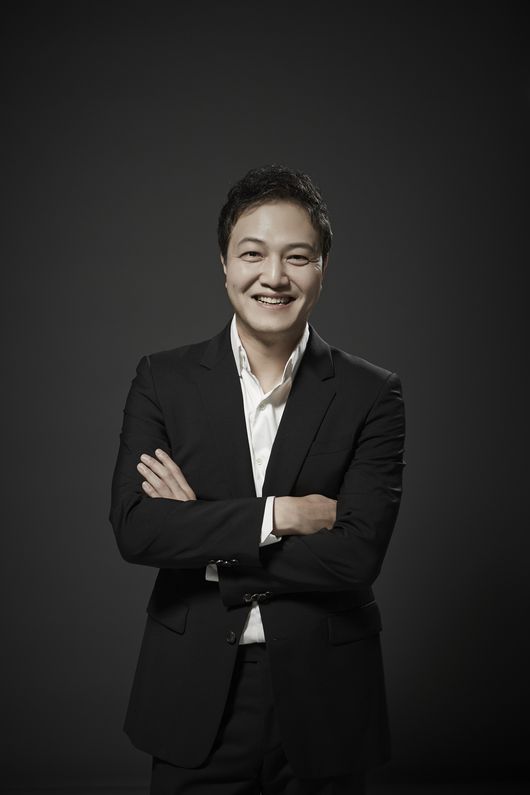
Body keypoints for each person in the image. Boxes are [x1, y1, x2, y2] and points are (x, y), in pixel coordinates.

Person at [109, 164, 406, 794]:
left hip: (327, 694)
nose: (274, 276)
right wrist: (281, 516)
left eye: (297, 257)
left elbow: (357, 555)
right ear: (224, 263)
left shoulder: (372, 393)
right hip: (192, 692)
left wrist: (206, 542)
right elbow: (137, 530)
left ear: (322, 268)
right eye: (252, 254)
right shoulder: (162, 380)